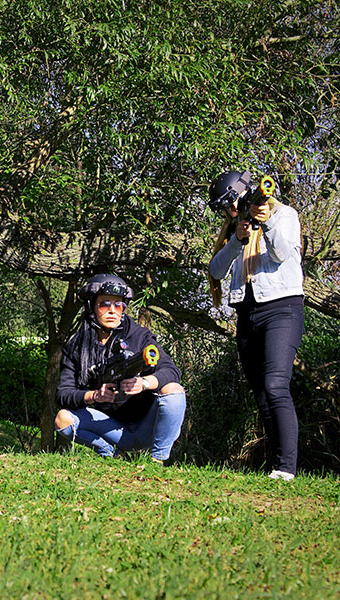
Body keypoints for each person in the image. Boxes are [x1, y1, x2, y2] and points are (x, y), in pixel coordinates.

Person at [208, 170, 304, 481]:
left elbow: (280, 253)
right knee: (262, 393)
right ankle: (275, 466)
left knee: (276, 385)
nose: (231, 211)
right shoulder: (236, 228)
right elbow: (216, 269)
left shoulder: (284, 214)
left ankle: (287, 468)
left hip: (281, 308)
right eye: (227, 209)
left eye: (231, 204)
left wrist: (267, 220)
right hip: (246, 313)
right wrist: (237, 238)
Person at [55, 274, 187, 464]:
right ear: (91, 306)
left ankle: (157, 461)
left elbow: (171, 371)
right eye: (105, 304)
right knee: (62, 419)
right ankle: (113, 455)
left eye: (118, 305)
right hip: (110, 429)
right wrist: (93, 396)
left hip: (146, 426)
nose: (112, 311)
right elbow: (63, 394)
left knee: (174, 390)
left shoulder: (140, 336)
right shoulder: (76, 346)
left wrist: (143, 383)